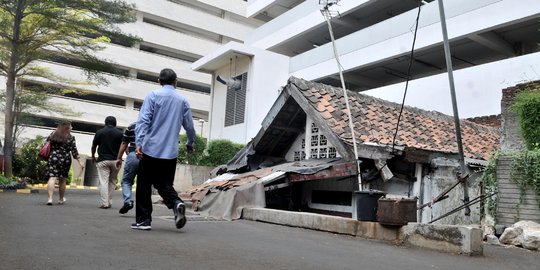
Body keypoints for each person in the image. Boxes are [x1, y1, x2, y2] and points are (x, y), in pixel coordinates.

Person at [132, 68, 195, 230]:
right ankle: (176, 202)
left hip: (150, 149)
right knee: (164, 184)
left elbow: (143, 121)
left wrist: (138, 143)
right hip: (170, 152)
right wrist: (190, 142)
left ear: (159, 81)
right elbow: (189, 126)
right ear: (176, 81)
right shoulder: (183, 101)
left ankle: (143, 221)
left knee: (144, 185)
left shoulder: (153, 95)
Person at [45, 121, 84, 205]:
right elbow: (74, 151)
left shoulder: (53, 134)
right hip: (65, 159)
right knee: (62, 180)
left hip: (53, 157)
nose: (72, 128)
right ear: (67, 128)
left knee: (52, 177)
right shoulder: (70, 137)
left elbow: (46, 144)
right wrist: (80, 162)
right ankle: (61, 199)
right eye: (71, 127)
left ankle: (50, 199)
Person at [91, 116, 123, 209]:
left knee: (103, 182)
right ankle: (109, 201)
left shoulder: (100, 132)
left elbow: (94, 146)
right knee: (112, 181)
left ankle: (105, 203)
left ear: (105, 123)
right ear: (115, 123)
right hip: (115, 161)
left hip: (103, 160)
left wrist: (93, 156)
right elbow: (124, 146)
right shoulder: (120, 133)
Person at [115, 122, 138, 214]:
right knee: (145, 184)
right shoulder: (157, 125)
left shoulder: (132, 126)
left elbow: (124, 143)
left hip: (134, 155)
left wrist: (119, 158)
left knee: (126, 181)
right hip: (150, 157)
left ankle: (128, 202)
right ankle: (143, 210)